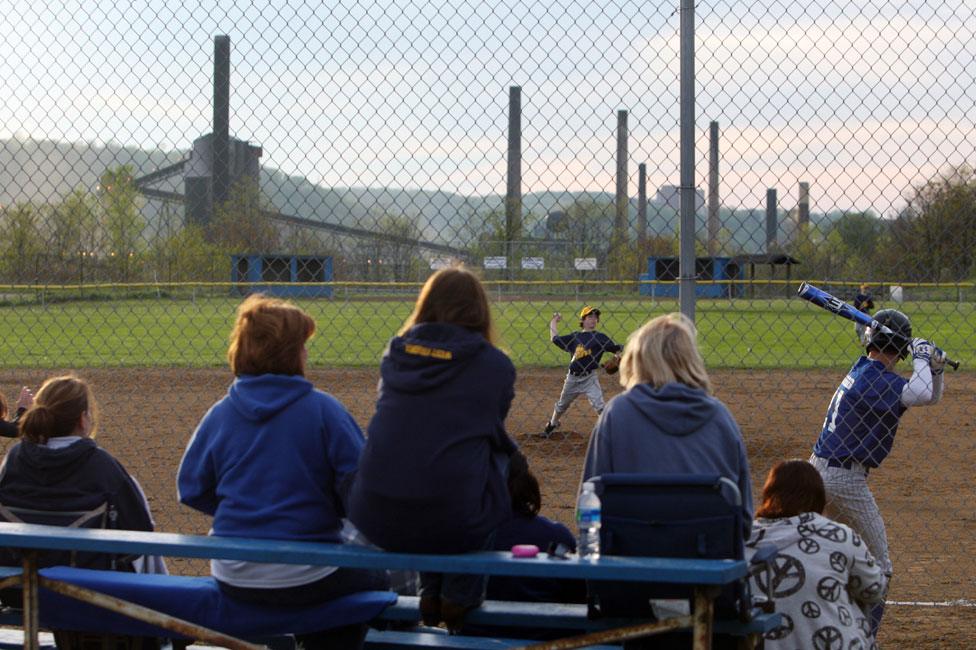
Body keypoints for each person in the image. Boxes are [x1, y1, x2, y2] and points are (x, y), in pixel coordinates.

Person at [178, 294, 387, 650]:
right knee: (380, 580)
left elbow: (191, 488)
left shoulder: (221, 413)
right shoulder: (324, 410)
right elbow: (361, 496)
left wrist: (248, 510)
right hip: (310, 573)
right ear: (292, 354)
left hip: (234, 572)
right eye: (303, 347)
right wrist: (321, 509)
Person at [348, 266, 518, 633]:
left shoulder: (395, 355)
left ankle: (430, 590)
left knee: (429, 456)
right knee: (494, 458)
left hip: (376, 515)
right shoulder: (495, 366)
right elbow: (489, 430)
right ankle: (459, 592)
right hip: (452, 521)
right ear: (479, 311)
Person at [0, 375, 164, 649]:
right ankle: (156, 633)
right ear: (83, 419)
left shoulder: (13, 461)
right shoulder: (103, 466)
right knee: (147, 552)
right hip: (89, 592)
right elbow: (141, 534)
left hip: (19, 590)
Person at [809, 308, 944, 634]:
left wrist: (935, 368)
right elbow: (920, 391)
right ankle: (862, 638)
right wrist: (921, 356)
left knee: (832, 553)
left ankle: (828, 622)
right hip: (843, 480)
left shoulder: (865, 371)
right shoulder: (873, 380)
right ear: (899, 347)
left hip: (823, 473)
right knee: (880, 567)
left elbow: (929, 394)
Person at [581, 312, 753, 524]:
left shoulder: (617, 414)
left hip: (631, 549)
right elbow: (743, 518)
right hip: (706, 551)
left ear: (638, 361)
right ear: (691, 361)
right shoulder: (720, 418)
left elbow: (589, 504)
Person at [746, 460, 887, 650]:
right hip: (828, 642)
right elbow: (875, 589)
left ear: (768, 495)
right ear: (819, 498)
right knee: (855, 595)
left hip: (763, 642)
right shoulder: (839, 535)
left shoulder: (744, 538)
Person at [542, 306, 622, 437]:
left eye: (596, 317)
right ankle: (552, 423)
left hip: (590, 378)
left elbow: (616, 349)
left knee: (600, 406)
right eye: (590, 317)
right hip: (572, 379)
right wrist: (554, 321)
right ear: (583, 320)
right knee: (562, 405)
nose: (593, 320)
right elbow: (555, 339)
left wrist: (618, 356)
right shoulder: (575, 337)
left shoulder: (601, 337)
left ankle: (610, 430)